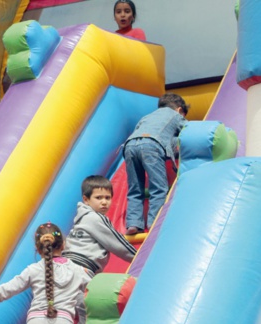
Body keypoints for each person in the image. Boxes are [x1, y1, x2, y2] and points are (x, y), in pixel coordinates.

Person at [123, 93, 189, 235]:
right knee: (159, 188)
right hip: (151, 145)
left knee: (135, 189)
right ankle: (154, 223)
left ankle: (133, 224)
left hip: (129, 146)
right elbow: (189, 132)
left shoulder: (146, 117)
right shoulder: (175, 115)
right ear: (178, 109)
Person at [63, 175, 137, 277]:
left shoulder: (81, 219)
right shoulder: (95, 218)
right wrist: (139, 257)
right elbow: (117, 243)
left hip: (66, 266)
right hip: (81, 268)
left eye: (108, 198)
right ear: (86, 199)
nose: (104, 202)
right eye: (98, 198)